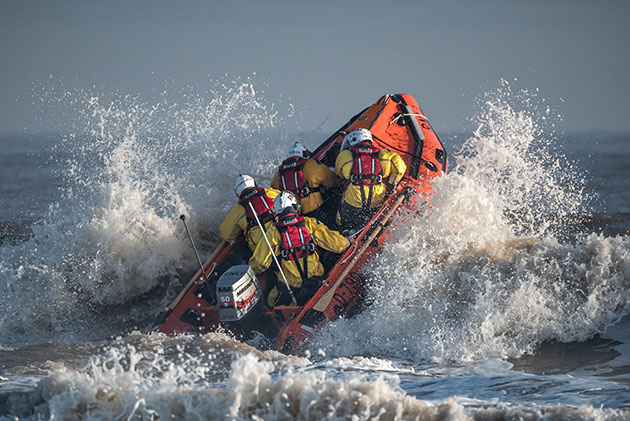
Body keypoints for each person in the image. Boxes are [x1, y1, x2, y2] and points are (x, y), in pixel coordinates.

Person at [249, 191, 352, 308]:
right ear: (294, 206)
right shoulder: (309, 223)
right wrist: (347, 241)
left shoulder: (273, 233)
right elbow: (336, 245)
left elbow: (259, 263)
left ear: (277, 211)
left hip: (292, 286)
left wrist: (251, 273)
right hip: (316, 277)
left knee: (270, 302)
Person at [335, 128, 407, 232]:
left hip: (354, 200)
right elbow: (400, 168)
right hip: (377, 198)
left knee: (341, 220)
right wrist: (391, 184)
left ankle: (345, 233)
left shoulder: (345, 155)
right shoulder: (384, 154)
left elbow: (340, 174)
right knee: (371, 218)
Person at [271, 142, 339, 226]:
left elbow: (273, 194)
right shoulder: (311, 165)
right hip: (315, 212)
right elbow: (332, 181)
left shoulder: (278, 174)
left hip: (293, 217)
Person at [219, 174, 280, 252]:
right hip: (283, 236)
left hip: (260, 250)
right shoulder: (271, 193)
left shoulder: (238, 210)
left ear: (238, 192)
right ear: (254, 183)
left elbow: (226, 235)